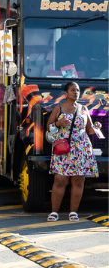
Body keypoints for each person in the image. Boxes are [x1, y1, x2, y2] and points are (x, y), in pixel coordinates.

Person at [46, 82, 100, 222]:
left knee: (78, 181)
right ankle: (54, 212)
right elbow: (49, 126)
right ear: (66, 93)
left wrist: (97, 127)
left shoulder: (83, 109)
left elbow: (89, 130)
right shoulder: (59, 108)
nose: (76, 92)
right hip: (63, 148)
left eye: (77, 90)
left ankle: (73, 213)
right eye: (72, 90)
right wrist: (58, 123)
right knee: (60, 180)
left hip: (81, 149)